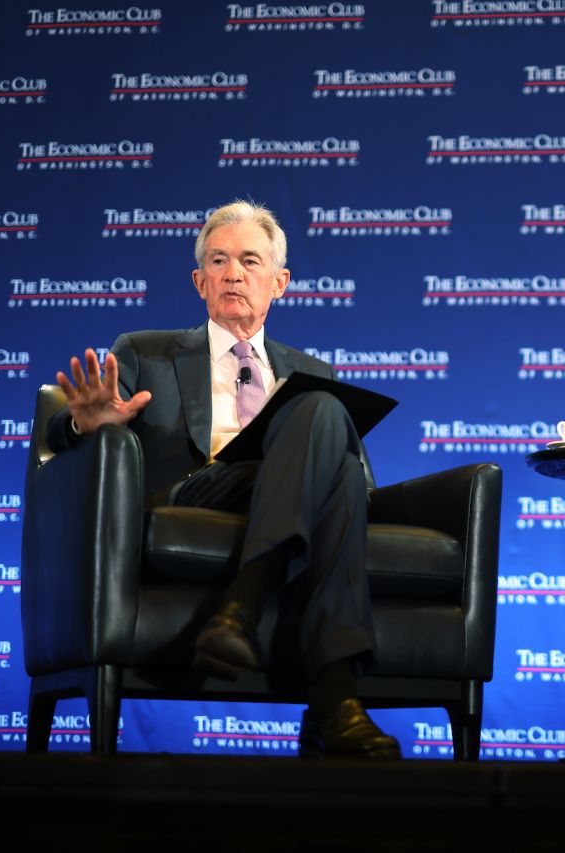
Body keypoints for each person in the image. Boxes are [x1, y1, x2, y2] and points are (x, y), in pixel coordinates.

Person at [48, 201, 400, 760]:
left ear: (279, 282)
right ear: (199, 280)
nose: (234, 273)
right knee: (321, 414)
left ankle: (246, 616)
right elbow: (59, 441)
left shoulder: (315, 372)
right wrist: (82, 423)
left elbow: (356, 483)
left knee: (320, 410)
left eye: (250, 260)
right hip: (195, 493)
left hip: (284, 495)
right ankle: (334, 698)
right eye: (219, 260)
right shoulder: (143, 351)